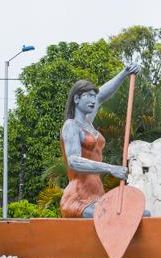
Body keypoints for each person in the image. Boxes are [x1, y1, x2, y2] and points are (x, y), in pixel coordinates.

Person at [60, 63, 149, 218]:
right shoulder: (71, 126)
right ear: (76, 98)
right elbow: (73, 161)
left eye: (93, 96)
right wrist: (110, 168)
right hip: (78, 199)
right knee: (117, 217)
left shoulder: (88, 123)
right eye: (88, 96)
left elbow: (101, 96)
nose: (93, 100)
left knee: (143, 214)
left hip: (97, 196)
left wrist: (124, 73)